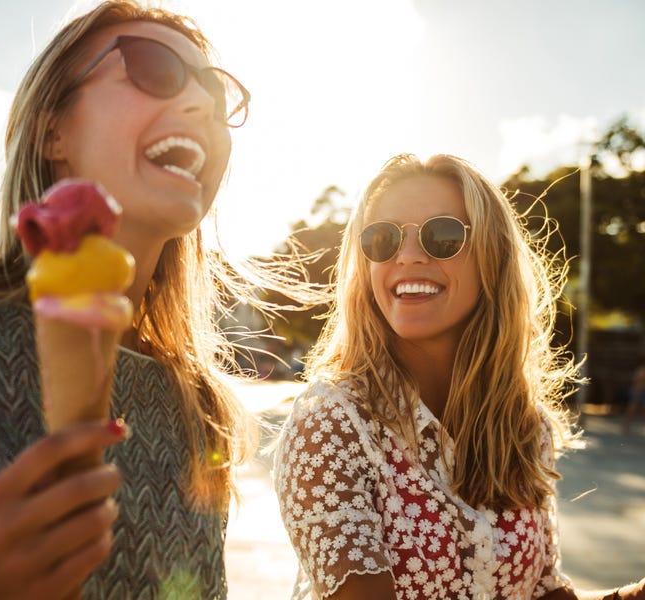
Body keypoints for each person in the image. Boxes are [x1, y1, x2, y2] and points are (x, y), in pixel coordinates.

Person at [0, 2, 299, 598]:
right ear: (51, 128)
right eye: (153, 69)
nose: (202, 105)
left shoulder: (197, 403)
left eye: (217, 93)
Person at [273, 153, 645, 599]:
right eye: (383, 239)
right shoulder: (332, 422)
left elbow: (542, 593)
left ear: (493, 258)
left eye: (443, 235)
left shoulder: (525, 426)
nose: (407, 257)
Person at [622, 357, 645, 434]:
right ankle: (626, 425)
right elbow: (637, 380)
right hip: (637, 391)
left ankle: (626, 425)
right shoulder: (641, 369)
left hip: (641, 391)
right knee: (632, 409)